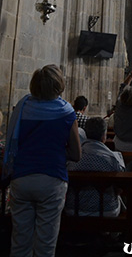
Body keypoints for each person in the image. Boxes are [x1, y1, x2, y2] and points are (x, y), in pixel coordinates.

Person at [3, 64, 81, 257]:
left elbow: (13, 140)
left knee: (20, 241)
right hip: (51, 179)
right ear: (58, 86)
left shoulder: (22, 107)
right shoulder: (66, 112)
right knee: (46, 244)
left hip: (21, 178)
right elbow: (76, 154)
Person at [66, 117, 125, 216]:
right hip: (105, 209)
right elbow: (120, 187)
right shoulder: (113, 159)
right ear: (104, 136)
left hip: (74, 208)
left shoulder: (73, 158)